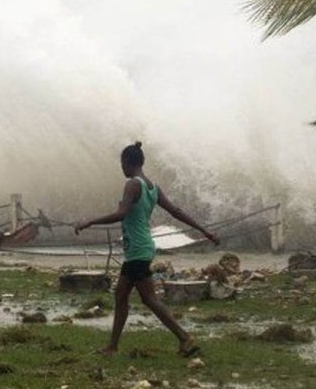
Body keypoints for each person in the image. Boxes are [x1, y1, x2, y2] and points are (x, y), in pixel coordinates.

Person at [74, 142, 219, 357]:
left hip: (138, 250)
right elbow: (176, 211)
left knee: (147, 298)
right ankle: (113, 346)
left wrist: (89, 222)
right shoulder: (153, 187)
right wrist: (204, 231)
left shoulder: (133, 184)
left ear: (128, 163)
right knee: (122, 295)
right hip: (141, 248)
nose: (121, 168)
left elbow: (122, 213)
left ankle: (183, 337)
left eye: (121, 164)